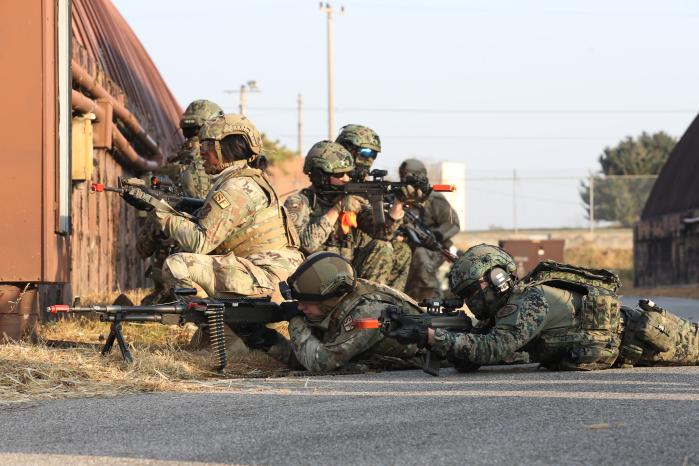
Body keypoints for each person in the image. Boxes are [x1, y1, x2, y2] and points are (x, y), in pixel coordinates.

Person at [387, 244, 699, 371]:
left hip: (645, 338)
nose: (471, 301)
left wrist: (432, 337)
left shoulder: (529, 302)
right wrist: (437, 334)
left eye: (472, 291)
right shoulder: (510, 306)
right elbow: (477, 353)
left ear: (497, 278)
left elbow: (491, 349)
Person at [132, 113, 304, 300]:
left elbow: (199, 242)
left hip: (269, 282)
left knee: (179, 264)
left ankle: (206, 319)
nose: (202, 152)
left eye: (207, 145)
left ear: (225, 149)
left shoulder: (236, 188)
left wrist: (156, 209)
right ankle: (221, 328)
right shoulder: (244, 180)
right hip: (272, 278)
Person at [284, 141, 410, 290]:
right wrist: (337, 209)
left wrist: (398, 204)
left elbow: (383, 234)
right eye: (339, 174)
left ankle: (377, 302)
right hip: (316, 278)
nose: (346, 178)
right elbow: (306, 245)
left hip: (349, 275)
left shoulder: (351, 199)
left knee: (386, 247)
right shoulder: (299, 202)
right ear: (320, 175)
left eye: (349, 173)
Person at [268, 252, 425, 371]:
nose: (300, 307)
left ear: (330, 298)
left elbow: (321, 362)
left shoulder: (367, 313)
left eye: (307, 303)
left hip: (428, 359)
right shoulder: (337, 304)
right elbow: (305, 355)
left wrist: (295, 321)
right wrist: (267, 341)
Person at [136, 99, 223, 304]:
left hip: (171, 272)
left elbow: (147, 239)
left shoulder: (169, 169)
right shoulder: (223, 169)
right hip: (209, 275)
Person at [399, 158, 460, 301]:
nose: (404, 179)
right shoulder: (398, 196)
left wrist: (435, 235)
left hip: (433, 247)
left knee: (422, 260)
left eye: (408, 175)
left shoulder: (434, 199)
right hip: (405, 244)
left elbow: (453, 224)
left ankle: (432, 302)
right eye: (402, 175)